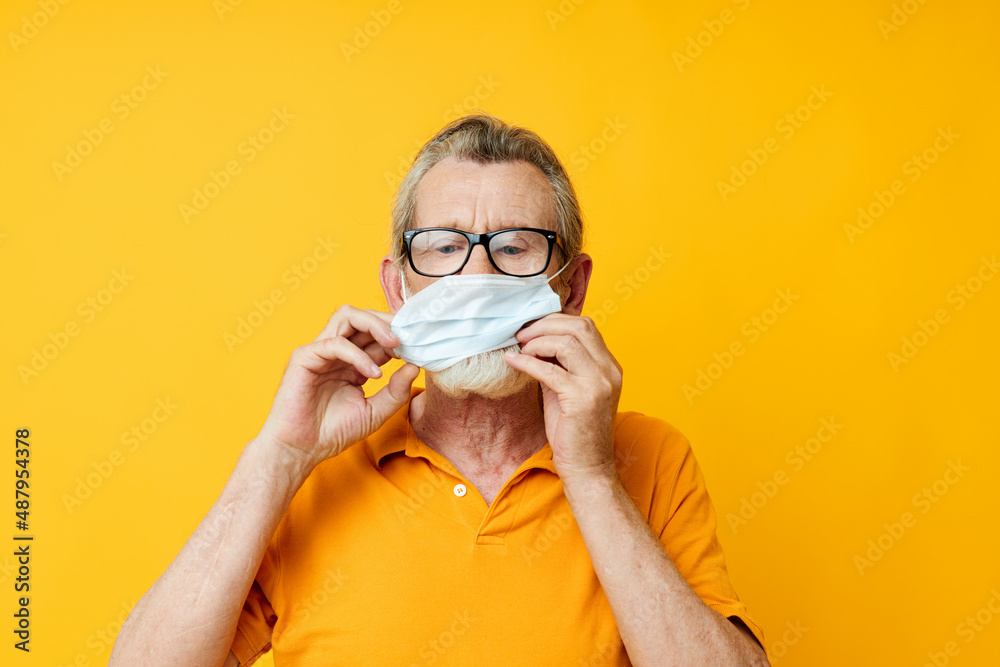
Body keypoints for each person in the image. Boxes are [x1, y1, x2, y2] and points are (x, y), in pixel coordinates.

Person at [110, 113, 769, 666]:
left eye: (516, 247)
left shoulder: (650, 459)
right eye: (444, 247)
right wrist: (278, 458)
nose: (476, 274)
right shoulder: (312, 473)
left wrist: (592, 476)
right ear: (398, 288)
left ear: (571, 288)